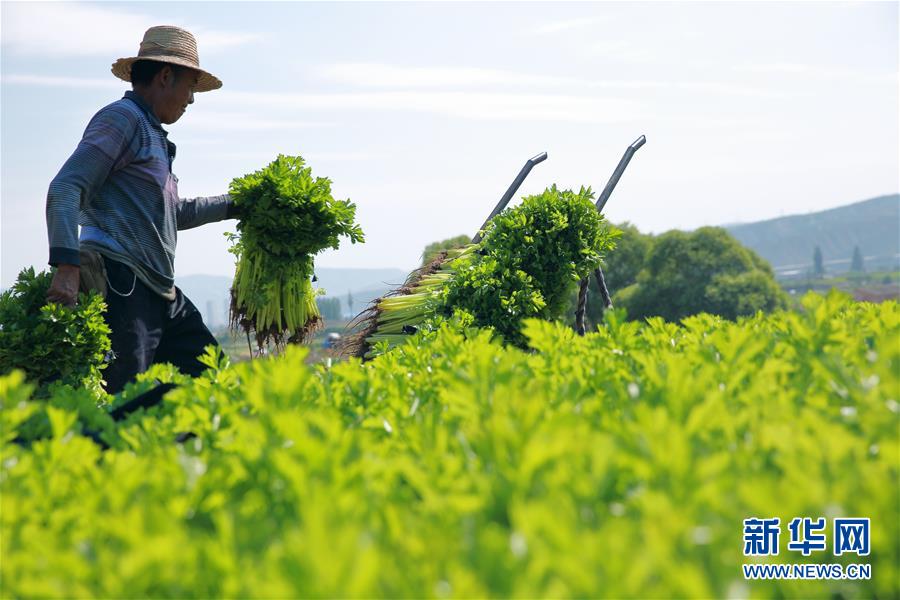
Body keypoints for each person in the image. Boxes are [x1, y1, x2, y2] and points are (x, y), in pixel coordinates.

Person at [44, 25, 237, 393]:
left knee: (216, 385)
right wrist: (67, 267)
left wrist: (235, 205)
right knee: (122, 404)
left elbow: (171, 214)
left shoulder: (151, 134)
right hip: (123, 284)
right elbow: (66, 187)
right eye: (190, 87)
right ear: (165, 76)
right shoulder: (123, 119)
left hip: (160, 291)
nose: (191, 100)